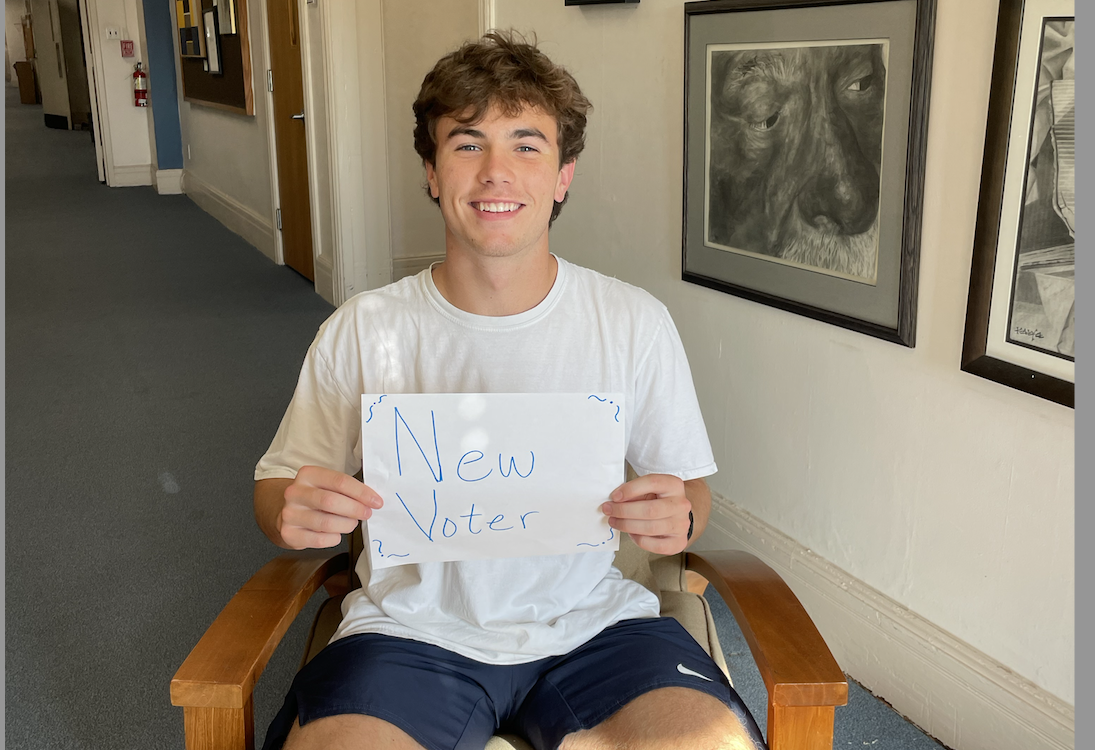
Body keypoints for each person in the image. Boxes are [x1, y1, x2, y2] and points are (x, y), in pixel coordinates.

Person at [253, 31, 767, 750]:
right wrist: (290, 513)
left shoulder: (631, 322)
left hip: (598, 628)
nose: (496, 172)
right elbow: (277, 485)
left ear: (563, 175)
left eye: (526, 144)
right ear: (431, 171)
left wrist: (677, 520)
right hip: (409, 633)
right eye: (467, 144)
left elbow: (689, 490)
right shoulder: (363, 327)